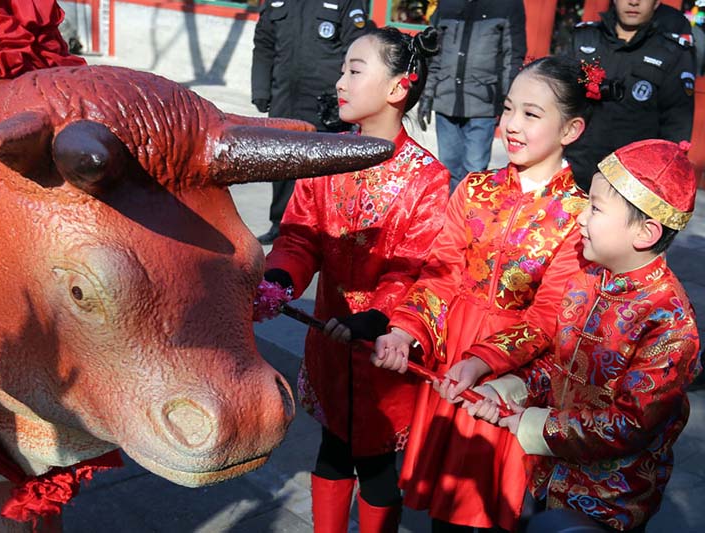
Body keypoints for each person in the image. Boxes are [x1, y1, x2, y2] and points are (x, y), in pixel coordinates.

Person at [372, 55, 595, 533]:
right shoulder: (474, 190)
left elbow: (549, 315)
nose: (511, 124)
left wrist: (481, 363)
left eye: (531, 114)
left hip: (509, 379)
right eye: (509, 108)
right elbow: (440, 274)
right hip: (451, 362)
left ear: (571, 129)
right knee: (446, 507)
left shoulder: (578, 217)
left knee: (489, 504)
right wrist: (404, 330)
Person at [457, 139, 701, 533]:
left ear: (646, 232)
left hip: (609, 503)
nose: (581, 218)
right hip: (547, 477)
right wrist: (507, 390)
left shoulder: (668, 321)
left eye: (596, 209)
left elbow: (631, 423)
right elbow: (558, 365)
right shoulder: (586, 280)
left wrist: (534, 425)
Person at [264, 26, 448, 532]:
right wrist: (279, 279)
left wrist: (376, 317)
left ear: (397, 88)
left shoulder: (427, 178)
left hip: (385, 347)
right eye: (343, 69)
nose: (340, 81)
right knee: (332, 448)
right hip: (329, 339)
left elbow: (413, 265)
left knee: (377, 463)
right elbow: (300, 235)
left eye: (355, 70)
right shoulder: (327, 158)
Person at [251, 0, 370, 245]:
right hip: (285, 98)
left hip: (325, 102)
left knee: (323, 172)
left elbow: (358, 51)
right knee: (282, 164)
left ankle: (325, 232)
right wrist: (261, 89)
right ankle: (281, 225)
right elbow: (263, 43)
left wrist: (350, 98)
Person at [564, 0, 696, 191]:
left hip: (629, 182)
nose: (633, 2)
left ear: (656, 3)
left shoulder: (673, 52)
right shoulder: (584, 38)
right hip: (571, 169)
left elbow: (675, 127)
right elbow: (558, 100)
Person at [416, 0, 526, 191]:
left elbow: (512, 57)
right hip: (446, 98)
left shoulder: (507, 5)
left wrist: (508, 103)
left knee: (474, 172)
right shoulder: (447, 4)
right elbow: (434, 55)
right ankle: (450, 209)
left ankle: (467, 210)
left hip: (483, 102)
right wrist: (426, 94)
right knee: (447, 169)